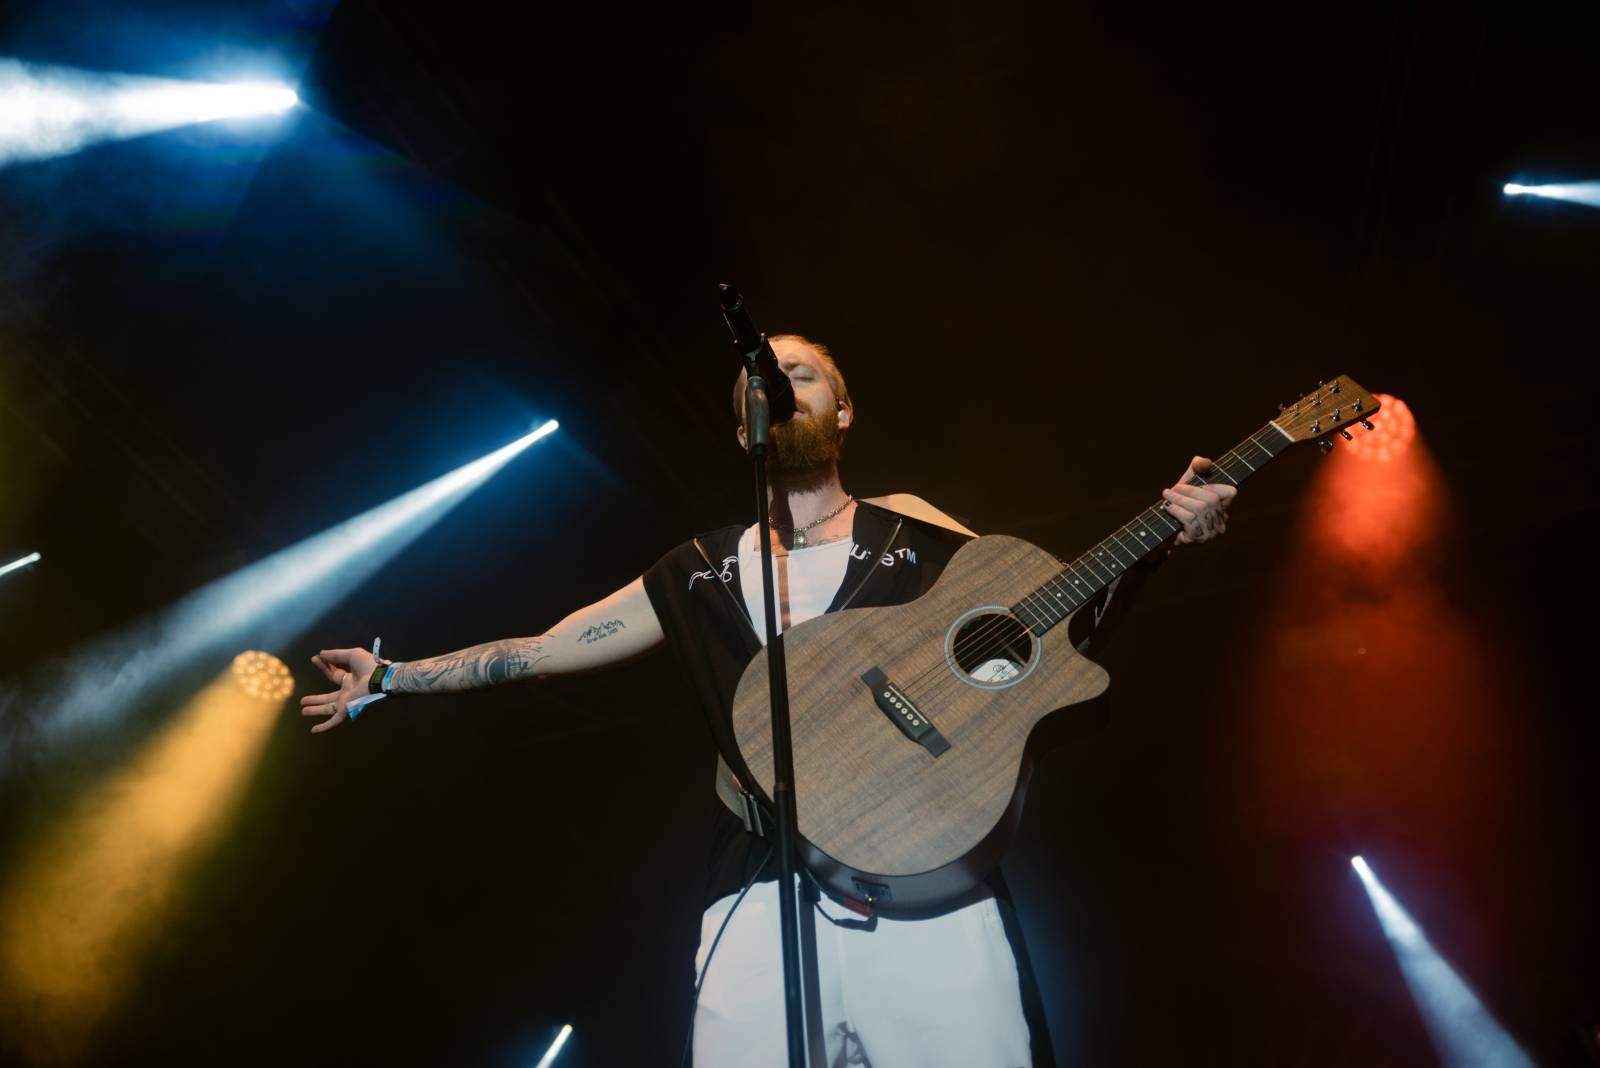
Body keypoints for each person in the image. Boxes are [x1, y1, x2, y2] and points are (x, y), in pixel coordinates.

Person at [301, 334, 1237, 1067]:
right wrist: (390, 679)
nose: (778, 382)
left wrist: (1160, 541)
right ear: (740, 425)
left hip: (930, 885)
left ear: (844, 411)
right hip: (756, 886)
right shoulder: (698, 571)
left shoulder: (914, 529)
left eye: (801, 372)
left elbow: (1031, 637)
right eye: (763, 376)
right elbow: (544, 651)